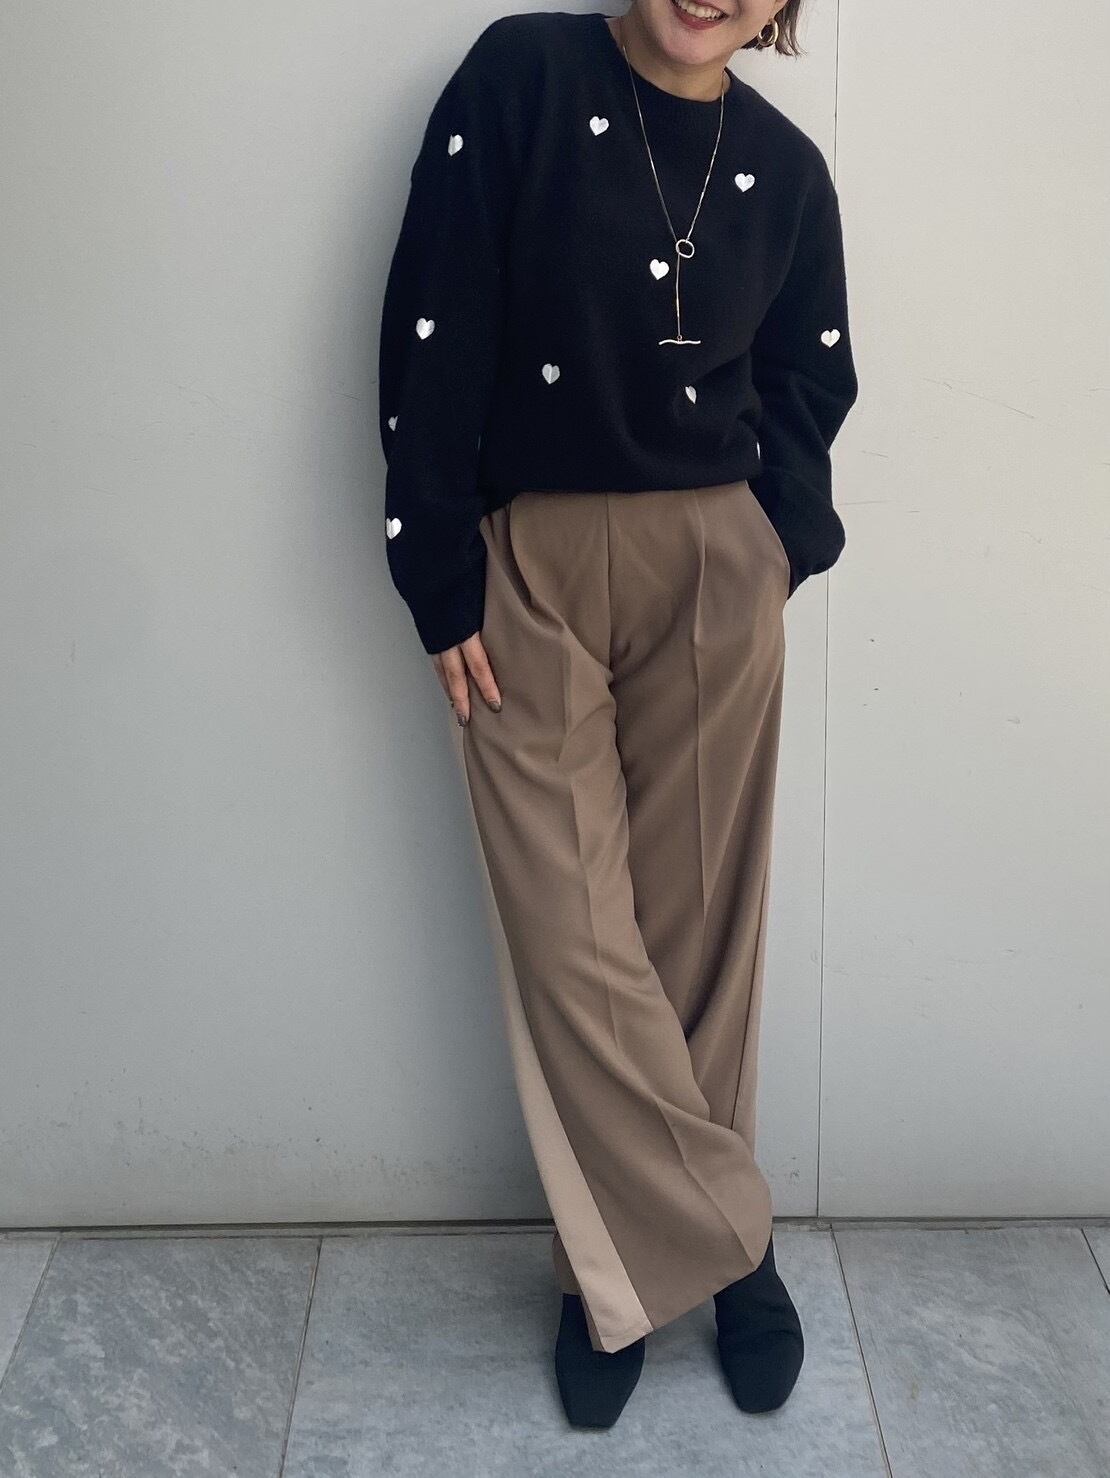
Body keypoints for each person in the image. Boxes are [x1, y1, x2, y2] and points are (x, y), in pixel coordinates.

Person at [377, 1, 859, 1429]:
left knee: (700, 924)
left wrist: (777, 540)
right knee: (571, 931)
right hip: (525, 562)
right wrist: (437, 566)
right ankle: (728, 1243)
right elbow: (433, 314)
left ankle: (621, 1275)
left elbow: (813, 375)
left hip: (714, 563)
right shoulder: (522, 75)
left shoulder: (786, 167)